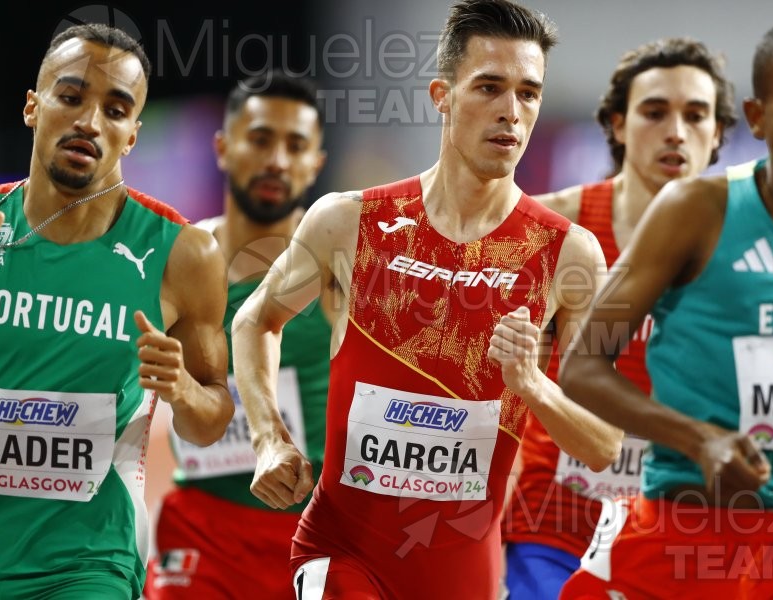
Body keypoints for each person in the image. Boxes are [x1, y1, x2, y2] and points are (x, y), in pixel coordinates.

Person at [231, 1, 623, 598]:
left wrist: (532, 383)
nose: (510, 113)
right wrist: (268, 438)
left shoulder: (569, 255)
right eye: (489, 88)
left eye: (528, 93)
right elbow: (256, 319)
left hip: (464, 571)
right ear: (441, 94)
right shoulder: (348, 220)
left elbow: (603, 445)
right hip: (342, 551)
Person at [559, 13, 773, 599]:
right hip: (687, 538)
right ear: (758, 117)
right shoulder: (695, 210)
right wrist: (698, 438)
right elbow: (581, 368)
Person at [0, 24, 234, 600]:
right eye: (71, 98)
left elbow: (211, 418)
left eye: (115, 109)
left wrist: (182, 390)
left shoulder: (183, 253)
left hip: (86, 565)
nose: (90, 122)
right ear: (32, 106)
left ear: (132, 135)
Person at [501, 37, 737, 600]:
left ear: (719, 134)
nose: (675, 131)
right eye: (655, 112)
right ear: (618, 125)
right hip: (553, 522)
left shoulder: (746, 246)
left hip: (677, 529)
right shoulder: (556, 226)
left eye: (695, 115)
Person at [144, 70, 330, 599]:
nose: (277, 160)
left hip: (310, 534)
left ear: (315, 163)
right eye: (260, 139)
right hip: (204, 528)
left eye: (296, 146)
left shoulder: (341, 271)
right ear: (223, 148)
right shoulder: (172, 258)